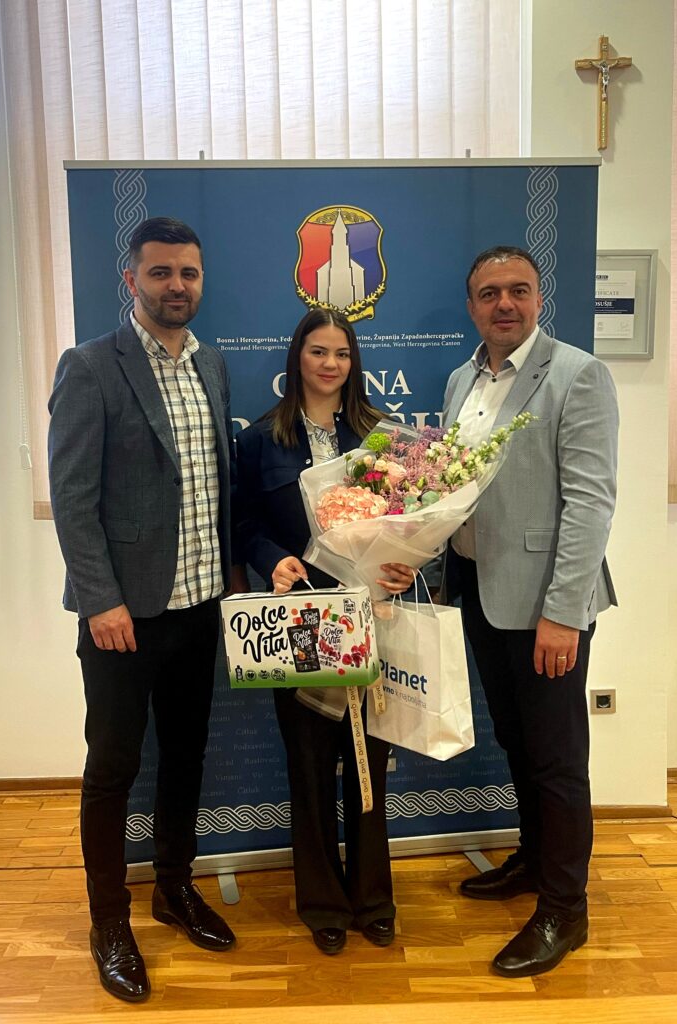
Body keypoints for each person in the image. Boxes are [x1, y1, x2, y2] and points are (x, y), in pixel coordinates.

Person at [48, 217, 244, 1002]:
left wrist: (232, 576)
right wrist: (101, 601)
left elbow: (214, 484)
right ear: (131, 279)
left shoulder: (212, 364)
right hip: (122, 620)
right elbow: (72, 499)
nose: (176, 286)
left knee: (186, 756)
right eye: (160, 272)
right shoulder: (91, 367)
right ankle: (108, 920)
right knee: (113, 768)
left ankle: (173, 886)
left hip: (199, 607)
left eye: (187, 273)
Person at [443, 246, 618, 977]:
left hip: (547, 605)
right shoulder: (461, 379)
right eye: (489, 293)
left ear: (539, 299)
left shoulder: (578, 374)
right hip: (481, 593)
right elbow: (453, 489)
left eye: (518, 290)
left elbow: (590, 504)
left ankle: (564, 909)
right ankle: (534, 857)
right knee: (518, 743)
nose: (504, 304)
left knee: (557, 760)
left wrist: (563, 614)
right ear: (472, 306)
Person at [235, 308, 414, 956]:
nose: (330, 363)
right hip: (302, 620)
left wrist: (405, 563)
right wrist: (270, 560)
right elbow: (244, 525)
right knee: (309, 765)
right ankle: (321, 902)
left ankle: (373, 899)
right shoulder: (262, 439)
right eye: (318, 351)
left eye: (341, 353)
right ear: (298, 358)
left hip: (371, 615)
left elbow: (409, 520)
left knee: (369, 764)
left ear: (353, 361)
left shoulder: (379, 437)